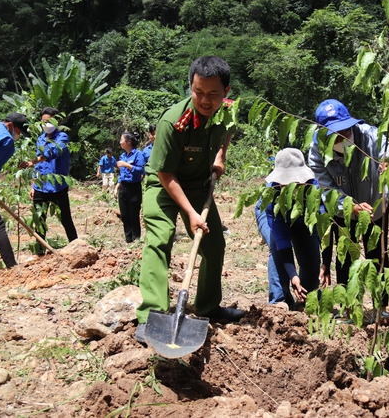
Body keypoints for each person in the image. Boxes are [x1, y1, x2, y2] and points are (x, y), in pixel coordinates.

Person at [135, 56, 244, 344]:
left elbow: (226, 135)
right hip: (162, 185)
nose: (205, 101)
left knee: (214, 244)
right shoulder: (174, 122)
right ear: (191, 87)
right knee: (160, 238)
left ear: (226, 92)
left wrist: (220, 156)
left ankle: (208, 305)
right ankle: (150, 316)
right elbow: (165, 174)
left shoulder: (229, 112)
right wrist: (192, 214)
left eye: (212, 94)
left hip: (198, 185)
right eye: (198, 92)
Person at [308, 99, 389, 320]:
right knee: (345, 257)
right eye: (335, 135)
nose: (342, 138)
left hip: (376, 207)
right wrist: (349, 206)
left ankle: (381, 309)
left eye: (345, 132)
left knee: (377, 255)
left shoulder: (369, 136)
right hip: (344, 212)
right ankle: (348, 309)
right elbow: (326, 189)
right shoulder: (317, 150)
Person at [263, 148, 322, 310]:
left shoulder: (313, 190)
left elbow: (320, 228)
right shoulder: (272, 196)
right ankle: (279, 300)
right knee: (276, 249)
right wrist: (293, 276)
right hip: (276, 217)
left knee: (311, 256)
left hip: (303, 218)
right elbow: (282, 241)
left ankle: (307, 296)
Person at [21, 107, 78, 255]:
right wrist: (33, 185)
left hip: (58, 186)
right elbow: (39, 166)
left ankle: (76, 247)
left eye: (49, 121)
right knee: (39, 220)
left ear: (56, 121)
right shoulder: (40, 139)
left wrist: (33, 161)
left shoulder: (62, 137)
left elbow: (52, 153)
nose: (46, 124)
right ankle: (39, 251)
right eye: (43, 121)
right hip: (41, 186)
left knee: (65, 218)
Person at [0, 113, 28, 268]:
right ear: (11, 125)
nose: (18, 136)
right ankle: (12, 266)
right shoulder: (6, 141)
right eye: (19, 132)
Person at [113, 131, 145, 243]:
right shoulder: (122, 156)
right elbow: (122, 175)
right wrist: (116, 187)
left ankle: (136, 240)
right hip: (123, 187)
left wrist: (127, 165)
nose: (120, 142)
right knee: (125, 215)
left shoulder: (138, 155)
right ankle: (128, 240)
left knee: (133, 215)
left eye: (121, 140)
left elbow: (141, 170)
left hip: (134, 188)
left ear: (128, 141)